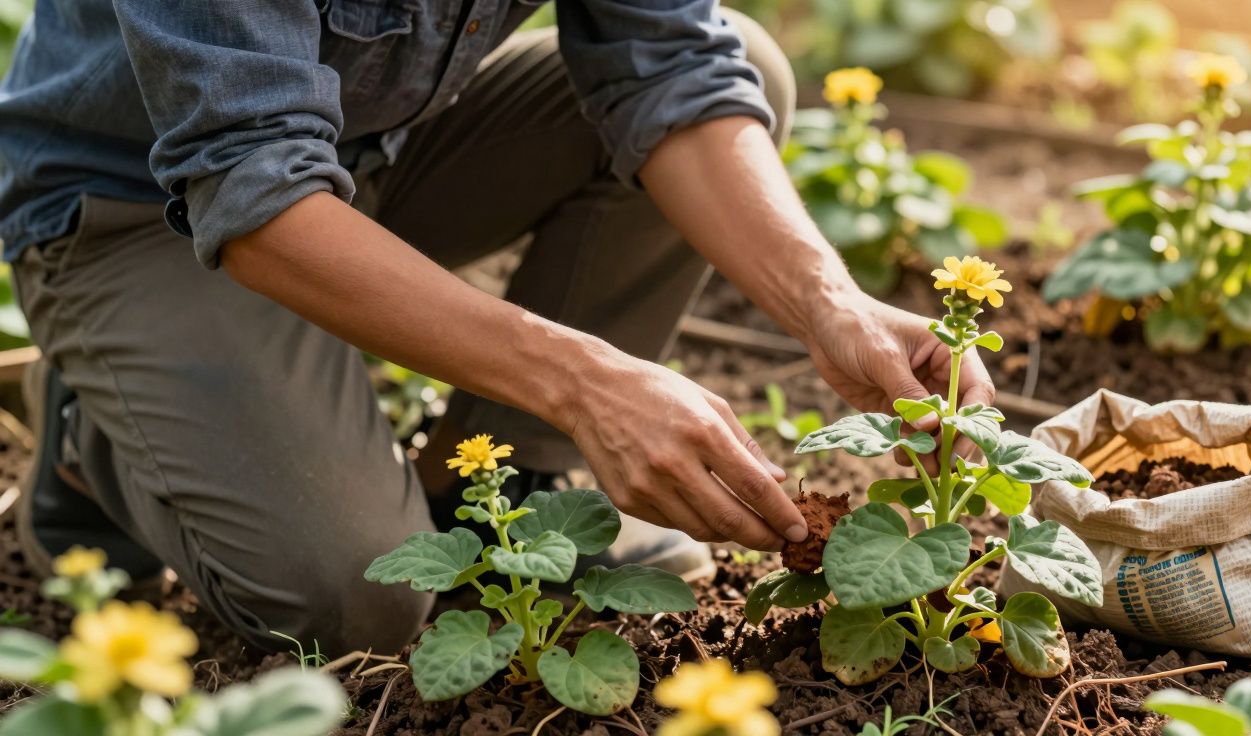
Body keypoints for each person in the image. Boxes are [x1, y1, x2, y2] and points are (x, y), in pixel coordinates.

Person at [0, 0, 994, 655]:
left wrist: (832, 304)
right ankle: (94, 425)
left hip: (365, 161)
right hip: (134, 214)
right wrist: (583, 379)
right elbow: (252, 187)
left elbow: (671, 70)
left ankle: (494, 484)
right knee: (357, 600)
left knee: (749, 72)